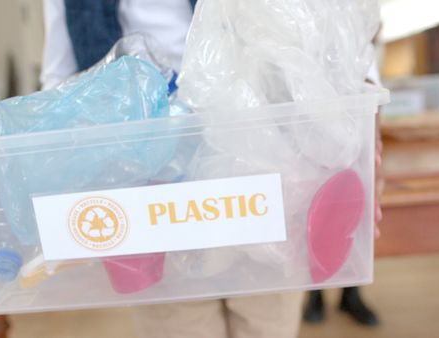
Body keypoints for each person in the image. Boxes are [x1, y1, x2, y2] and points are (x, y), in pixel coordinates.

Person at [40, 1, 382, 337]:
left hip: (270, 169)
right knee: (178, 321)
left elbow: (337, 27)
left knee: (267, 319)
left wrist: (364, 126)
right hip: (155, 193)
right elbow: (61, 78)